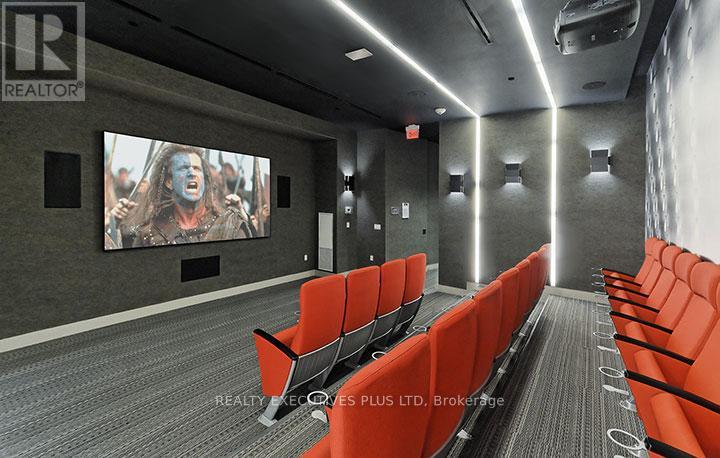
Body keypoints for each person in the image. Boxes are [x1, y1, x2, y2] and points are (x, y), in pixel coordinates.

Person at [107, 143, 255, 248]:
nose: (192, 173)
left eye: (197, 168)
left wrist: (246, 219)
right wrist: (113, 225)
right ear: (169, 182)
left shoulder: (229, 225)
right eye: (183, 168)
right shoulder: (150, 233)